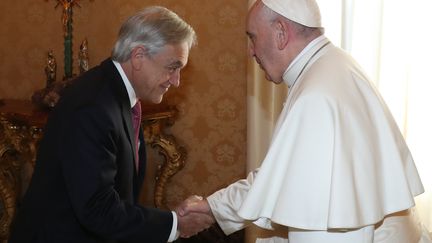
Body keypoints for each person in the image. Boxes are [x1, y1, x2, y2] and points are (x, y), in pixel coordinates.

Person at [179, 0, 432, 242]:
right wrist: (212, 207)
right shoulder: (333, 65)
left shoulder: (316, 97)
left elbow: (327, 223)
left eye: (253, 37)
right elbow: (282, 175)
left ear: (280, 32)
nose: (251, 51)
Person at [9, 6, 213, 243]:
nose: (176, 81)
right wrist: (175, 224)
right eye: (172, 67)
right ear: (138, 57)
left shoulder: (114, 93)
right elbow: (98, 208)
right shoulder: (92, 106)